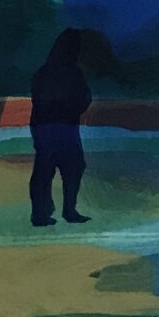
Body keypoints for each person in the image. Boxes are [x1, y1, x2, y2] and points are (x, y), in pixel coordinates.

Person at [29, 28, 92, 228]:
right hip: (63, 128)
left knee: (45, 170)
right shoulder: (74, 73)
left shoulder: (43, 73)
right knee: (71, 168)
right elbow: (83, 99)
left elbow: (39, 101)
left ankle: (42, 213)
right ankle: (67, 210)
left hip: (45, 128)